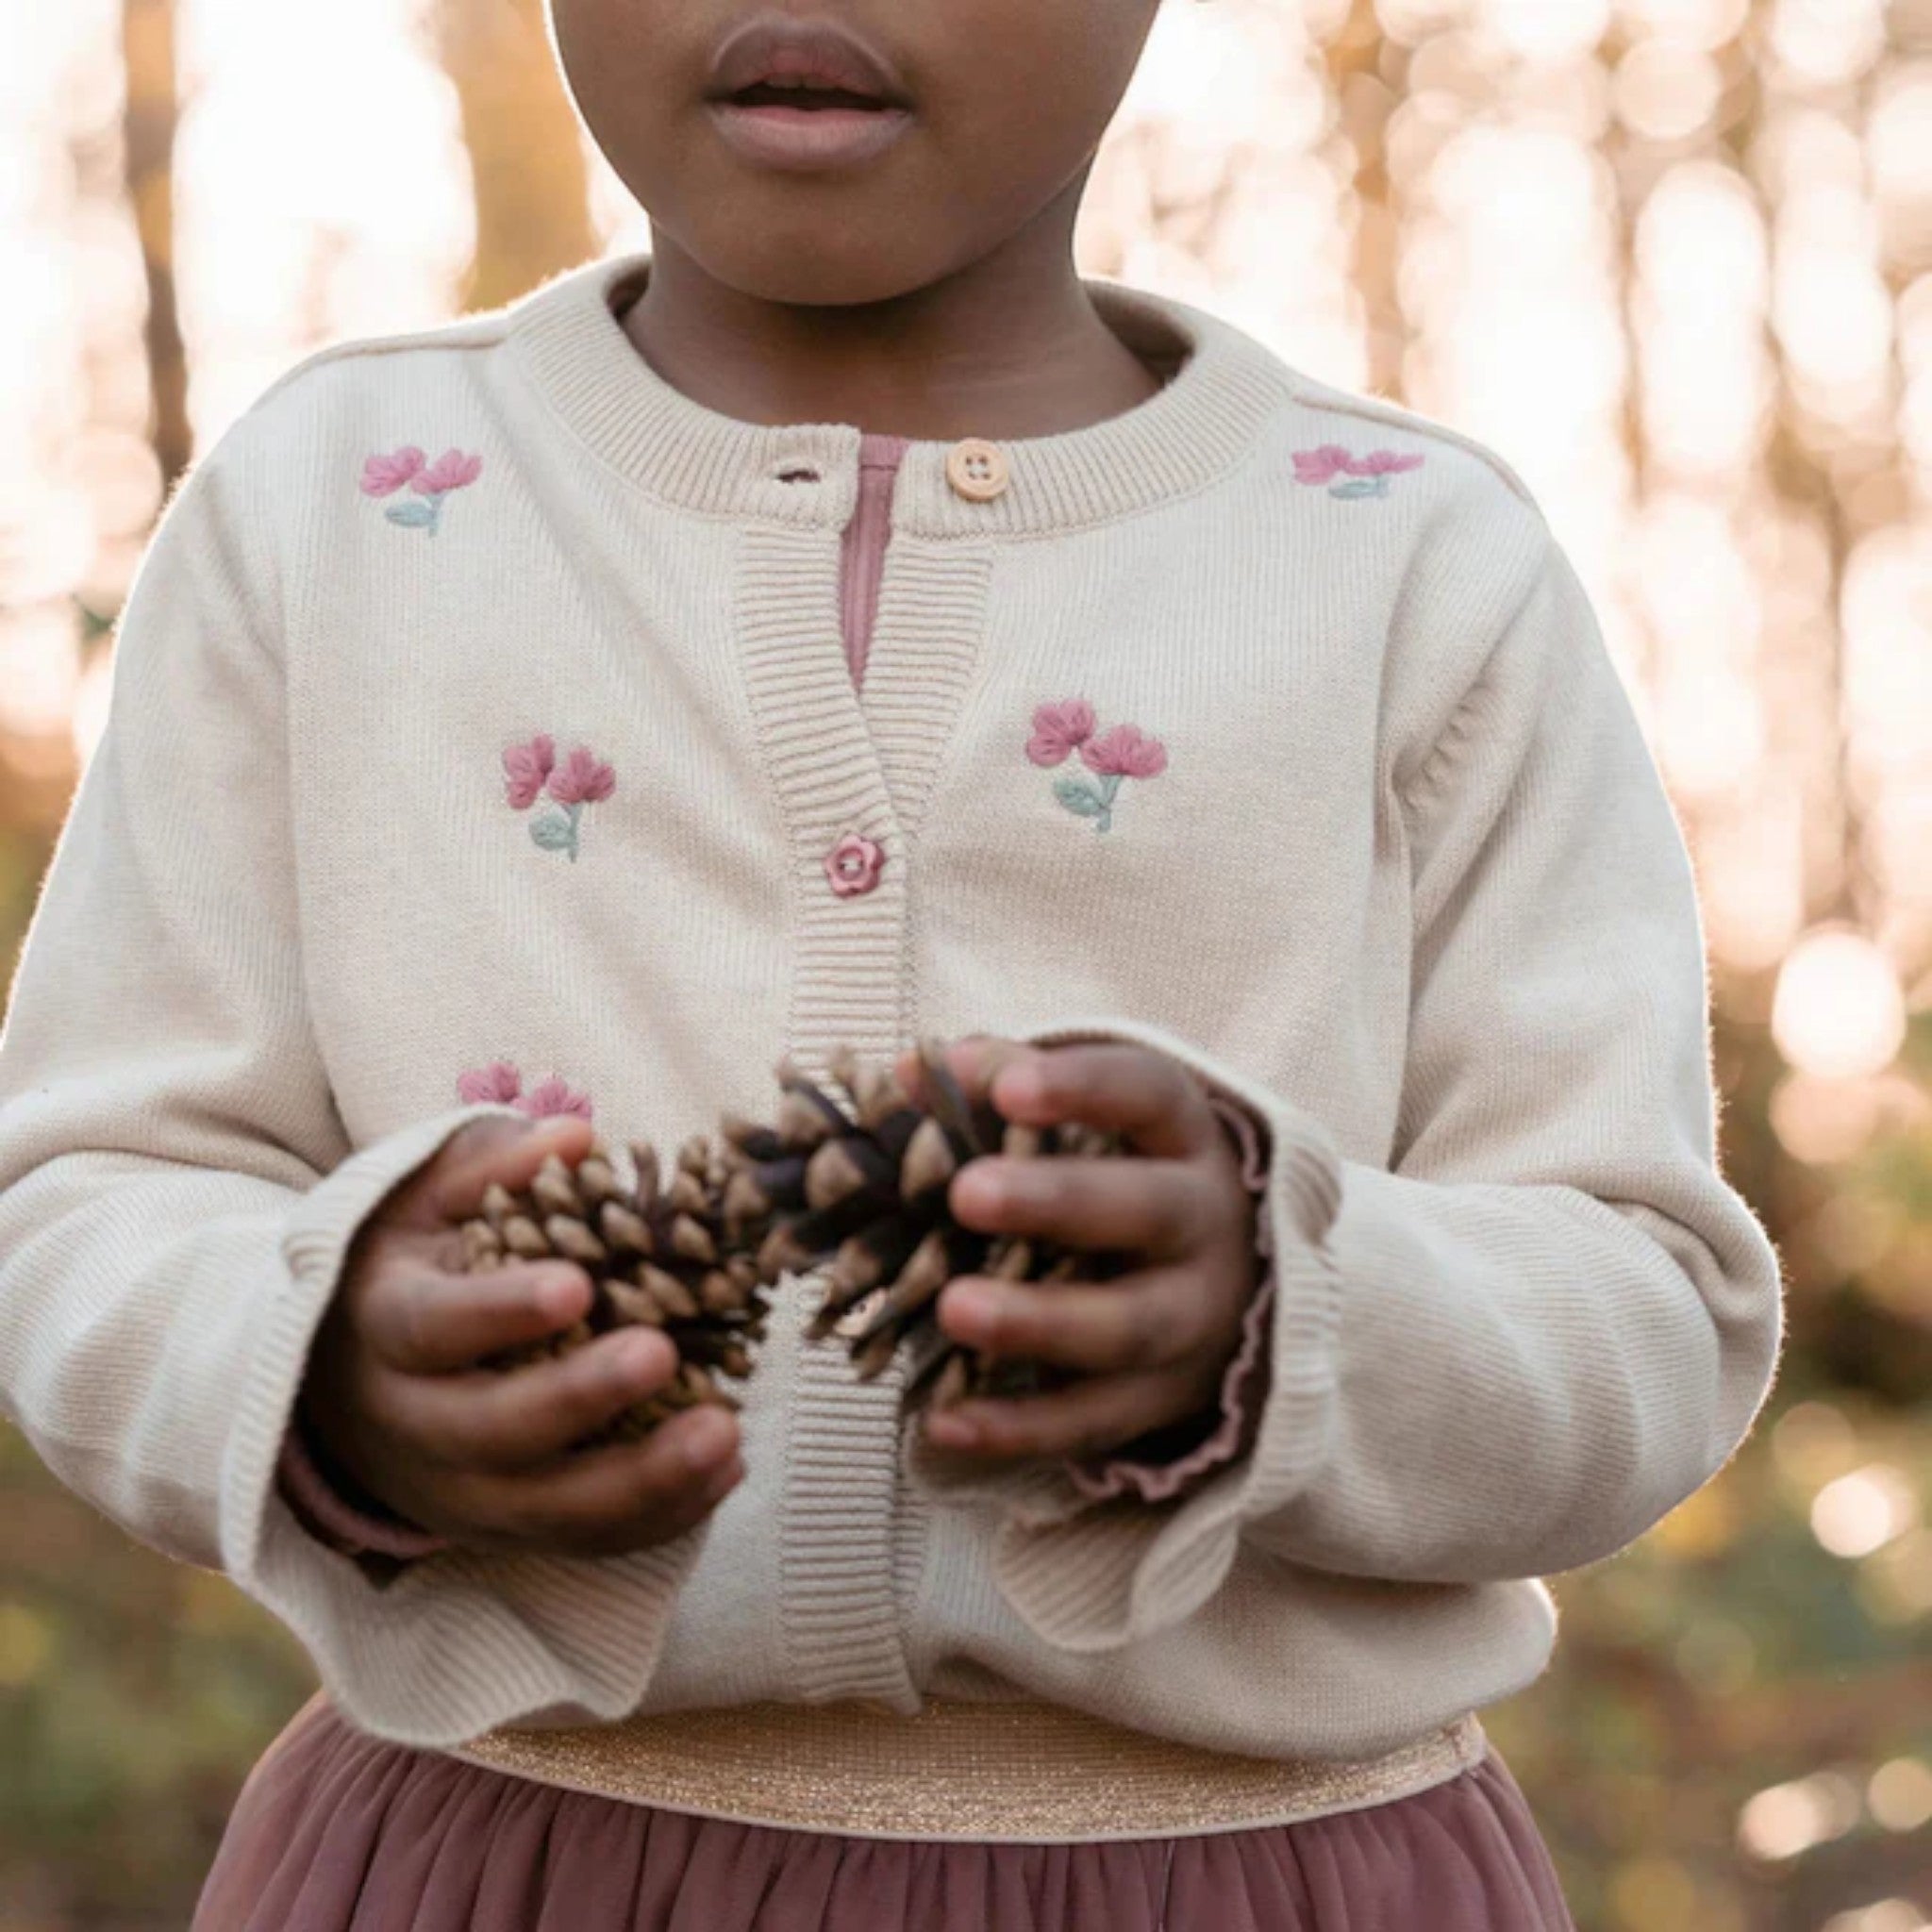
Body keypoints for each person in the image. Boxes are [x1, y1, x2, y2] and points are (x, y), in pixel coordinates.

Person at [0, 0, 1786, 1925]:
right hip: (483, 1859)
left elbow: (1644, 1306)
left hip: (1265, 1879)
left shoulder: (1416, 568)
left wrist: (1293, 1308)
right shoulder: (334, 506)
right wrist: (316, 1357)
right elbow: (90, 1196)